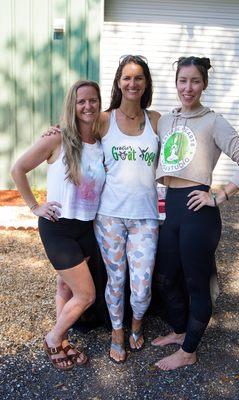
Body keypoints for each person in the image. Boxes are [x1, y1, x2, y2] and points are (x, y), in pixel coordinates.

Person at [151, 56, 239, 370]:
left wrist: (220, 194)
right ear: (176, 83)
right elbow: (127, 122)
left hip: (197, 211)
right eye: (182, 81)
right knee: (165, 278)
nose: (188, 88)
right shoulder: (166, 120)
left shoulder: (214, 121)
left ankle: (189, 350)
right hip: (168, 207)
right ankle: (181, 331)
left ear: (204, 84)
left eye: (194, 81)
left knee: (196, 282)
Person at [11, 80, 106, 370]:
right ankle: (53, 338)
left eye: (92, 100)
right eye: (81, 102)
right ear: (72, 106)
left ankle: (63, 339)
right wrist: (34, 206)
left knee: (65, 289)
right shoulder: (57, 139)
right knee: (86, 295)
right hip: (59, 227)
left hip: (86, 227)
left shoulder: (101, 142)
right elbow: (18, 169)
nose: (87, 106)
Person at [93, 55, 161, 363]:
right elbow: (75, 138)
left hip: (145, 217)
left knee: (142, 284)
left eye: (138, 78)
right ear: (118, 83)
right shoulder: (104, 120)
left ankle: (137, 323)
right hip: (109, 216)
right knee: (116, 279)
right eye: (126, 77)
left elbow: (187, 139)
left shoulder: (157, 120)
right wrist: (53, 133)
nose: (132, 83)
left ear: (146, 84)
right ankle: (117, 331)